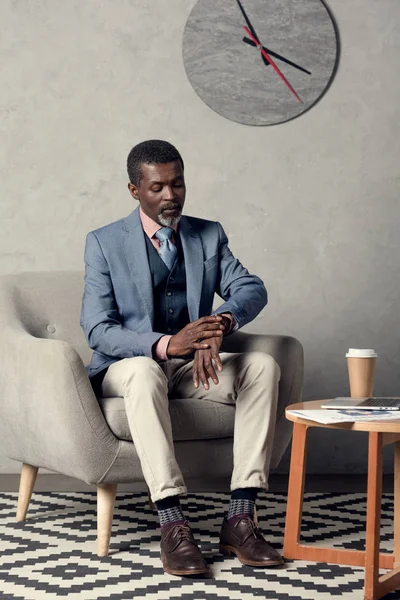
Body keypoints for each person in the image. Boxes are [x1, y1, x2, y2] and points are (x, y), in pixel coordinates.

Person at [80, 139, 282, 576]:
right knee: (142, 373)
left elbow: (251, 288)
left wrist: (219, 325)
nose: (170, 196)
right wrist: (166, 345)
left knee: (263, 366)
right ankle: (173, 523)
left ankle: (241, 518)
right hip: (129, 367)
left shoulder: (208, 233)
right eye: (157, 188)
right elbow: (98, 328)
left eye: (178, 184)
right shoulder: (103, 243)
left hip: (194, 369)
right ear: (135, 190)